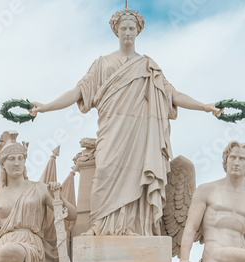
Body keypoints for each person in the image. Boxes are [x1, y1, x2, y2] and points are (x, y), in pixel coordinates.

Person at [28, 8, 221, 236]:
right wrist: (47, 106)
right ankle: (99, 226)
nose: (127, 32)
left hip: (140, 132)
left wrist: (205, 106)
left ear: (138, 31)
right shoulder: (102, 64)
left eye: (131, 28)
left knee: (137, 177)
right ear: (116, 31)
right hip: (111, 130)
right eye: (123, 28)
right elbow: (78, 91)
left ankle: (134, 227)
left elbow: (172, 94)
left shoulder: (149, 67)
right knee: (104, 173)